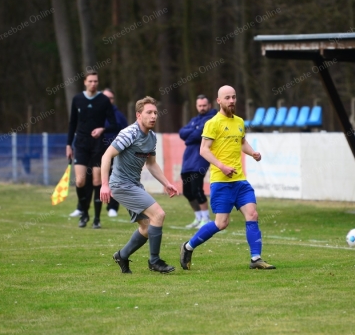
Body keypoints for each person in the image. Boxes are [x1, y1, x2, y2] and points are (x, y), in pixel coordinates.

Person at [179, 85, 275, 271]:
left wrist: (252, 152)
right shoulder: (212, 123)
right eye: (227, 98)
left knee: (252, 215)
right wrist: (221, 166)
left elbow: (242, 142)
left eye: (234, 97)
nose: (231, 101)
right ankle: (188, 247)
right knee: (221, 223)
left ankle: (256, 258)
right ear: (219, 101)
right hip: (221, 182)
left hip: (239, 180)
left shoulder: (239, 121)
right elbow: (203, 150)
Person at [100, 97, 179, 274]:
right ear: (138, 115)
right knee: (158, 215)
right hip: (121, 185)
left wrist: (167, 184)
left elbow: (151, 164)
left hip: (133, 184)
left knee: (145, 227)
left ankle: (122, 255)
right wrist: (104, 185)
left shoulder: (151, 137)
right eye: (149, 113)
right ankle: (155, 261)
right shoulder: (129, 133)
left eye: (155, 113)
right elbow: (106, 156)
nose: (153, 116)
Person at [66, 70, 117, 229]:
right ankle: (84, 213)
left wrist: (102, 129)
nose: (93, 83)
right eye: (90, 81)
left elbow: (114, 124)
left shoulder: (103, 100)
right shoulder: (77, 99)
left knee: (96, 180)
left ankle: (96, 218)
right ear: (85, 82)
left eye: (96, 81)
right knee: (80, 180)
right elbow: (72, 123)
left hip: (98, 145)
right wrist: (69, 144)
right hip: (80, 144)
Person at [178, 94, 217, 228]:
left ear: (210, 105)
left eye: (204, 105)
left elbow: (196, 134)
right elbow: (182, 133)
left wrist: (191, 134)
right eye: (199, 106)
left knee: (197, 189)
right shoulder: (194, 120)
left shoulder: (212, 118)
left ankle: (206, 219)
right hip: (188, 159)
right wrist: (193, 133)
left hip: (200, 159)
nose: (202, 108)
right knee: (187, 192)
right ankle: (198, 217)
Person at [102, 88, 129, 217]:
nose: (108, 101)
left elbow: (127, 133)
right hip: (96, 151)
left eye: (110, 98)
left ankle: (112, 207)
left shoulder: (119, 116)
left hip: (114, 153)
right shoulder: (95, 113)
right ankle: (83, 207)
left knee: (113, 179)